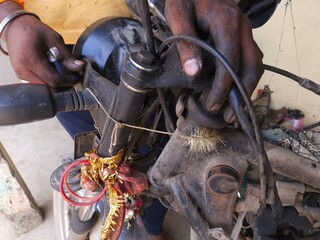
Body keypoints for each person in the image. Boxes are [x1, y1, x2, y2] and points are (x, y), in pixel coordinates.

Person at [0, 0, 276, 239]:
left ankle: (152, 226)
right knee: (99, 153)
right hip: (58, 47)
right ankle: (114, 200)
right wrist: (9, 18)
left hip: (169, 33)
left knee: (159, 165)